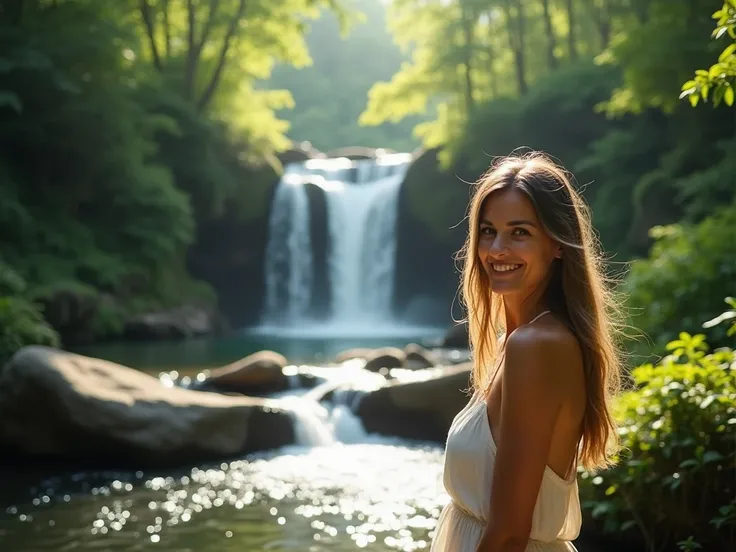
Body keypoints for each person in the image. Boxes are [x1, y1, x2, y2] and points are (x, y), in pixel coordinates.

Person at [430, 152, 623, 552]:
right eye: (488, 231)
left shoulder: (536, 347)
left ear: (557, 244)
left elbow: (508, 535)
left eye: (520, 232)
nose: (497, 249)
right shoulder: (515, 341)